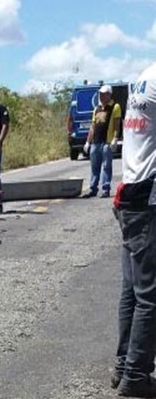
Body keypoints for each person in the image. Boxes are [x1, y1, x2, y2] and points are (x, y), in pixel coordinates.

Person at [111, 63, 156, 397]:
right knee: (150, 296)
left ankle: (124, 367)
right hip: (148, 197)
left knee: (133, 290)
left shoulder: (145, 76)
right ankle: (136, 378)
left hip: (131, 191)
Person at [82, 84, 122, 198]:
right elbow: (93, 127)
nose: (102, 96)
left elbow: (116, 124)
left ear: (109, 94)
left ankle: (105, 188)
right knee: (94, 167)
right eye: (100, 94)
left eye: (104, 94)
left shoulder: (115, 107)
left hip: (107, 142)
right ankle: (93, 188)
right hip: (96, 142)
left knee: (106, 166)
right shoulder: (97, 109)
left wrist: (115, 138)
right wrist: (88, 142)